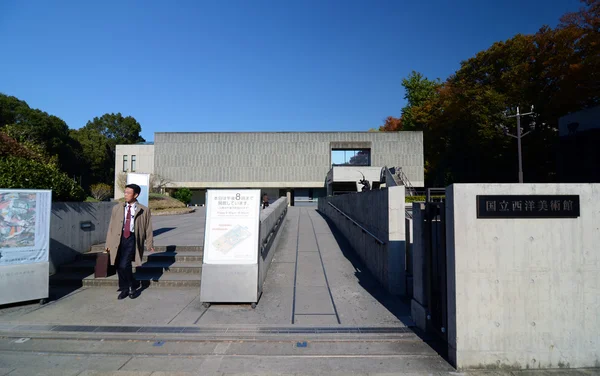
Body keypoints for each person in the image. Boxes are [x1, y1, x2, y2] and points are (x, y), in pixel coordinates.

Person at [105, 184, 154, 300]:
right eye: (125, 192)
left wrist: (150, 243)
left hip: (132, 238)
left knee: (124, 264)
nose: (125, 195)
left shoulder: (144, 210)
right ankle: (124, 288)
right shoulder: (117, 208)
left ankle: (131, 286)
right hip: (118, 238)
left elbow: (148, 227)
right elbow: (111, 226)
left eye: (128, 193)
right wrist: (108, 244)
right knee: (118, 264)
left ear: (135, 195)